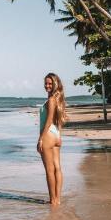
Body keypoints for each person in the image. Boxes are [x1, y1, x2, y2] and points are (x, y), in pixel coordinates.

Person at [37, 72, 66, 205]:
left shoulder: (51, 100)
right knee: (57, 168)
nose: (47, 85)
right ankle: (57, 199)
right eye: (46, 83)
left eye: (50, 83)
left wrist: (40, 138)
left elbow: (48, 121)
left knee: (50, 170)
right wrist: (59, 136)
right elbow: (58, 120)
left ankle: (53, 200)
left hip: (48, 135)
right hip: (55, 135)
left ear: (55, 84)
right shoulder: (58, 99)